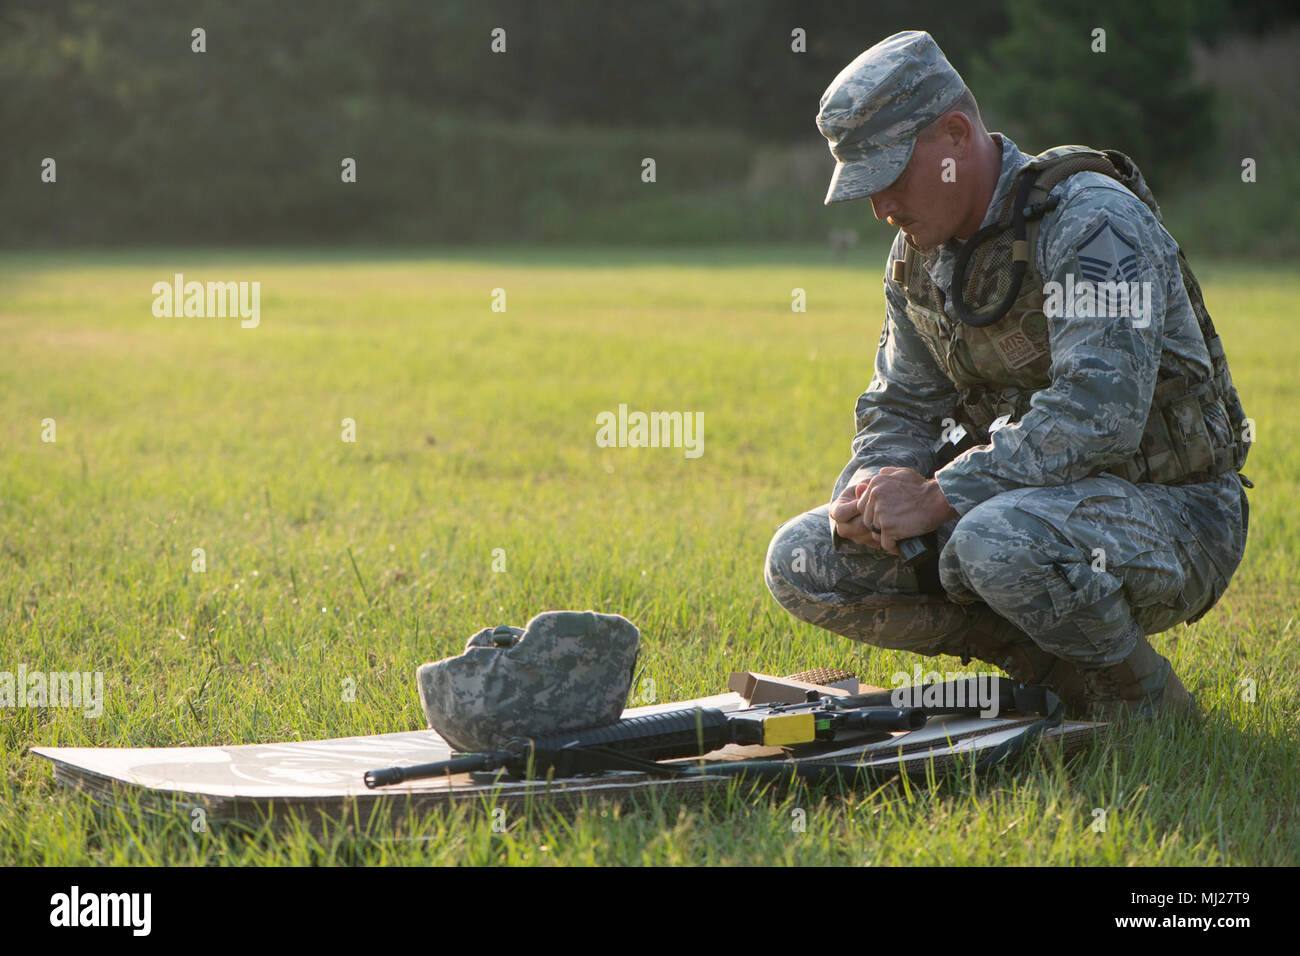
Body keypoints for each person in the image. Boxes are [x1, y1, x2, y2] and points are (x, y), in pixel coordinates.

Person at [764, 31, 1252, 721]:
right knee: (804, 559)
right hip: (1009, 512)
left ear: (956, 135)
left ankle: (1142, 704)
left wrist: (938, 496)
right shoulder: (917, 258)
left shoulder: (1091, 222)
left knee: (992, 539)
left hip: (1174, 513)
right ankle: (1051, 675)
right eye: (866, 188)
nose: (880, 208)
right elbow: (899, 405)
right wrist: (871, 493)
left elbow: (1098, 413)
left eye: (892, 177)